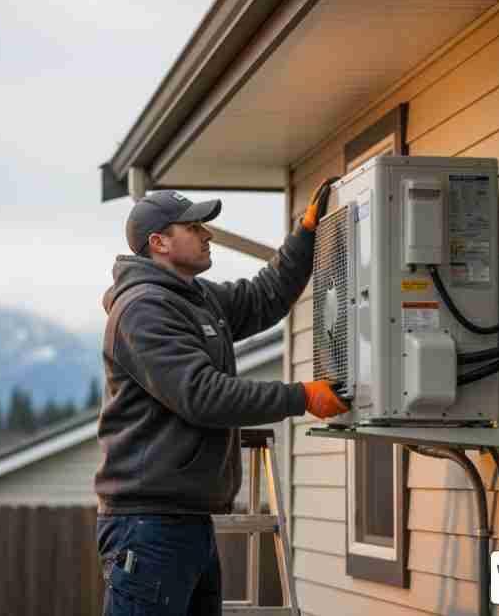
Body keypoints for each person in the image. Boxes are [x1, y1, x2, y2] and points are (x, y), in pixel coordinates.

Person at [95, 180, 350, 615]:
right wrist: (300, 396)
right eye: (194, 227)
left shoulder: (196, 298)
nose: (207, 233)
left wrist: (305, 235)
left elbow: (264, 297)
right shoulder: (143, 309)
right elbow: (202, 394)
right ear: (158, 242)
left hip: (187, 521)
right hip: (148, 525)